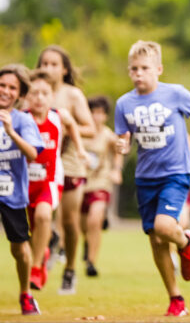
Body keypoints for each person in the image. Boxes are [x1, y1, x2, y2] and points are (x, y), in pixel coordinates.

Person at [115, 40, 190, 316]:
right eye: (134, 69)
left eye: (145, 68)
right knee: (155, 238)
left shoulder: (175, 94)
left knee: (164, 228)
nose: (139, 73)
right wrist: (121, 146)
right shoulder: (124, 103)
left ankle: (186, 243)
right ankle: (176, 299)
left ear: (158, 69)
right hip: (145, 177)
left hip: (175, 173)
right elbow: (124, 138)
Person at [37, 45, 95, 294]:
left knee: (70, 222)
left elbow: (90, 128)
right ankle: (45, 248)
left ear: (64, 69)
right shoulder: (34, 92)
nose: (48, 68)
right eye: (44, 63)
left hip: (70, 164)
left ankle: (70, 269)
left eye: (54, 64)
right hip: (39, 165)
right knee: (40, 217)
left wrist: (63, 125)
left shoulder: (72, 95)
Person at [25, 70, 86, 290]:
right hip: (26, 182)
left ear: (52, 96)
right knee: (33, 228)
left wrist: (80, 150)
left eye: (44, 93)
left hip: (50, 180)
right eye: (34, 93)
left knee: (43, 215)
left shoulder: (58, 116)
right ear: (26, 96)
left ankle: (36, 267)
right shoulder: (22, 118)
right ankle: (43, 252)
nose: (39, 98)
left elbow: (73, 128)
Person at [0, 64, 44, 315]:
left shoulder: (23, 120)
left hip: (13, 193)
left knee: (19, 249)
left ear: (19, 94)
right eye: (2, 85)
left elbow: (33, 153)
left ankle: (26, 294)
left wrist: (10, 131)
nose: (5, 91)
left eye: (11, 87)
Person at [80, 96, 121, 277]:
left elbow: (118, 151)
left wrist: (116, 170)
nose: (96, 117)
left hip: (101, 182)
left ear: (105, 116)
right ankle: (87, 241)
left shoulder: (107, 135)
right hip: (81, 182)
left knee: (94, 221)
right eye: (93, 112)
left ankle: (91, 263)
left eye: (100, 113)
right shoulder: (80, 132)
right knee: (81, 226)